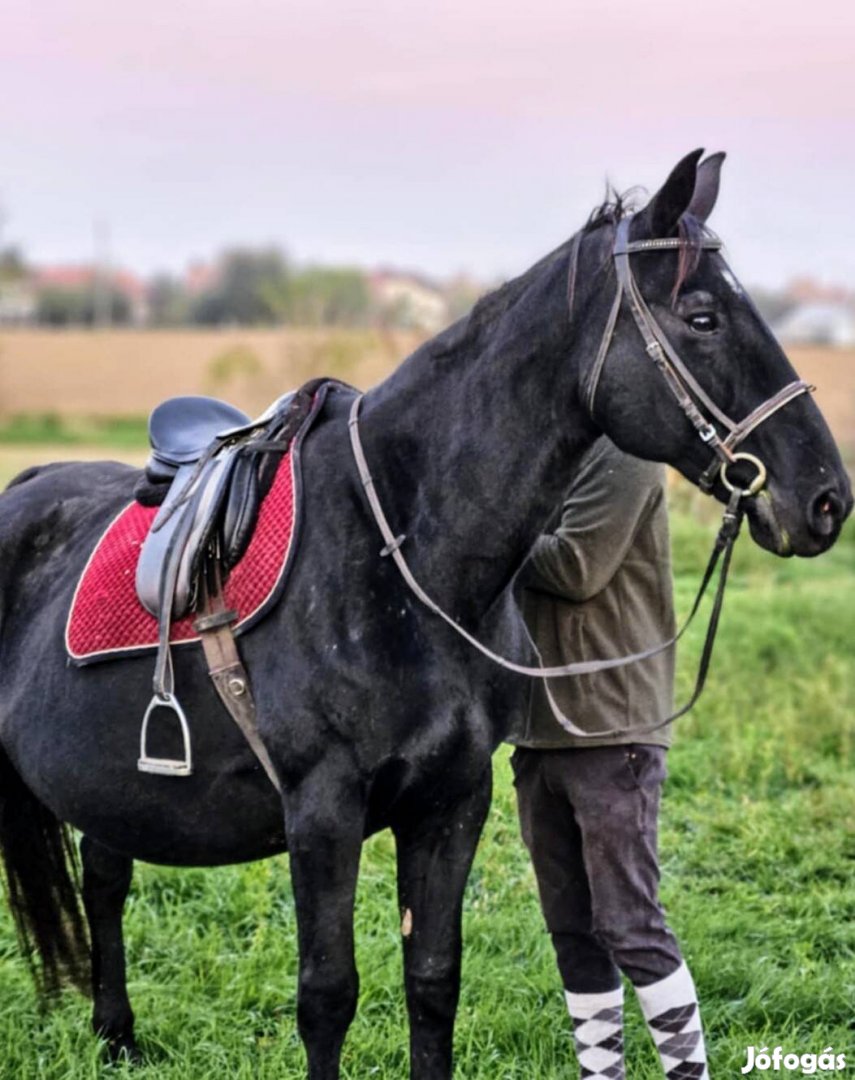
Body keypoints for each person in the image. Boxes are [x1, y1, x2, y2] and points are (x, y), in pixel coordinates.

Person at [509, 436, 709, 1080]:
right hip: (538, 733)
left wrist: (481, 535)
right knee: (570, 929)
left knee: (629, 926)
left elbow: (575, 567)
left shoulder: (626, 455)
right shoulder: (544, 452)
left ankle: (689, 1074)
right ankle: (603, 1076)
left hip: (612, 729)